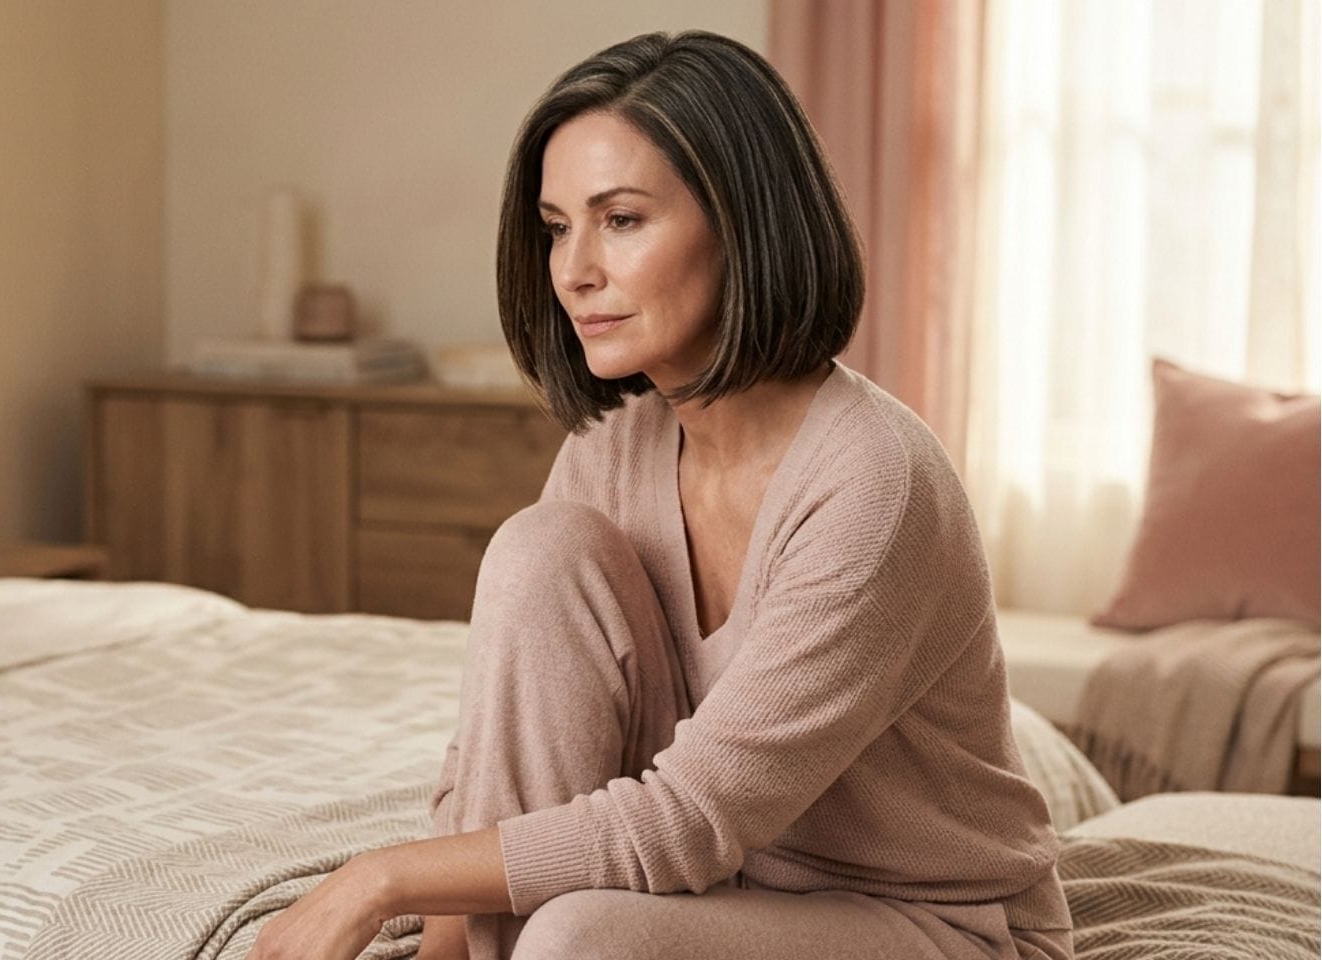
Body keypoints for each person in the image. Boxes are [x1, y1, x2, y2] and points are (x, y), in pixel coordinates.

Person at [248, 30, 1070, 960]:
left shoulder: (872, 485)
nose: (573, 269)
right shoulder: (613, 445)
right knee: (538, 547)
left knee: (575, 943)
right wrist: (445, 941)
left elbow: (685, 819)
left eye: (622, 220)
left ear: (742, 224)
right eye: (558, 227)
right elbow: (500, 750)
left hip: (931, 923)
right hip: (724, 887)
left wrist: (380, 876)